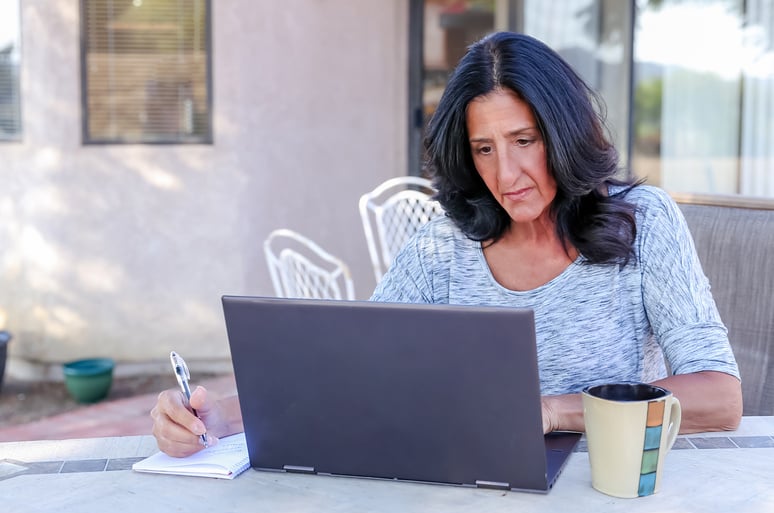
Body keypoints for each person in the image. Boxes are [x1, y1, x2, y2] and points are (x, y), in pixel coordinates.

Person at [151, 32, 742, 457]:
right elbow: (348, 370)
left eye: (524, 140)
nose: (506, 173)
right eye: (485, 149)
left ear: (563, 133)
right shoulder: (442, 247)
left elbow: (719, 398)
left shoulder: (645, 222)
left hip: (612, 494)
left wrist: (549, 411)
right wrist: (219, 416)